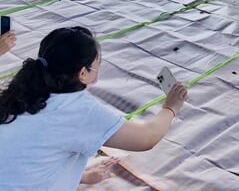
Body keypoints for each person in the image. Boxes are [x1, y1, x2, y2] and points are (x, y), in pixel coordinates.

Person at [0, 26, 188, 190]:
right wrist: (171, 107)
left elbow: (25, 158)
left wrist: (82, 177)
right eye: (97, 63)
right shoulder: (77, 110)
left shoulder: (20, 92)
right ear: (83, 73)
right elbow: (147, 138)